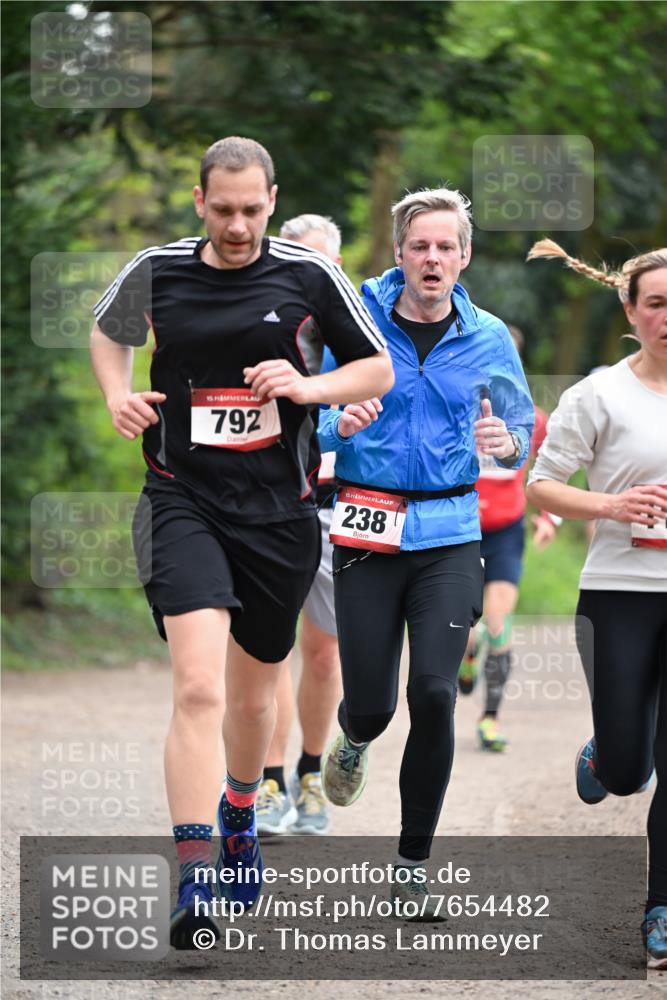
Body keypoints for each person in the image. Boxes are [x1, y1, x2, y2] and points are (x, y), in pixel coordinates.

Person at [89, 137, 393, 949]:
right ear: (198, 202)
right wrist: (118, 394)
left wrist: (307, 386)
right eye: (221, 210)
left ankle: (239, 806)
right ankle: (194, 876)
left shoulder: (307, 273)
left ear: (271, 198)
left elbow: (375, 371)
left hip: (278, 512)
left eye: (252, 210)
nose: (236, 225)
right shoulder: (159, 267)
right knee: (197, 687)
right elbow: (107, 331)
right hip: (180, 498)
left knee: (258, 693)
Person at [318, 187, 534, 918]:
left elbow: (518, 427)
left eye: (446, 247)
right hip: (365, 531)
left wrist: (504, 443)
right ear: (399, 253)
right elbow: (308, 413)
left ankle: (412, 866)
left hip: (448, 534)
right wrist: (336, 423)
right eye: (420, 246)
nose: (432, 258)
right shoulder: (356, 321)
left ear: (463, 257)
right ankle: (352, 735)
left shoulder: (489, 337)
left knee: (436, 694)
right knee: (376, 707)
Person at [525, 239, 667, 969]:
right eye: (656, 303)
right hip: (617, 593)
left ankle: (660, 911)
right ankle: (608, 756)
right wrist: (610, 503)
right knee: (625, 768)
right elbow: (541, 486)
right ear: (629, 309)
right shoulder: (599, 394)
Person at [256, 214, 381, 836]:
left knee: (325, 653)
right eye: (299, 259)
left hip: (338, 501)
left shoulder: (355, 327)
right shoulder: (256, 318)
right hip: (270, 501)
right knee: (267, 646)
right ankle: (268, 781)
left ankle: (310, 772)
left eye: (324, 262)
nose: (311, 273)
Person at [458, 325, 560, 752]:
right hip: (459, 532)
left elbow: (554, 465)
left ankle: (490, 719)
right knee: (466, 632)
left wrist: (548, 516)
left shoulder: (532, 419)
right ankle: (465, 655)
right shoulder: (457, 409)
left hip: (504, 531)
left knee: (498, 627)